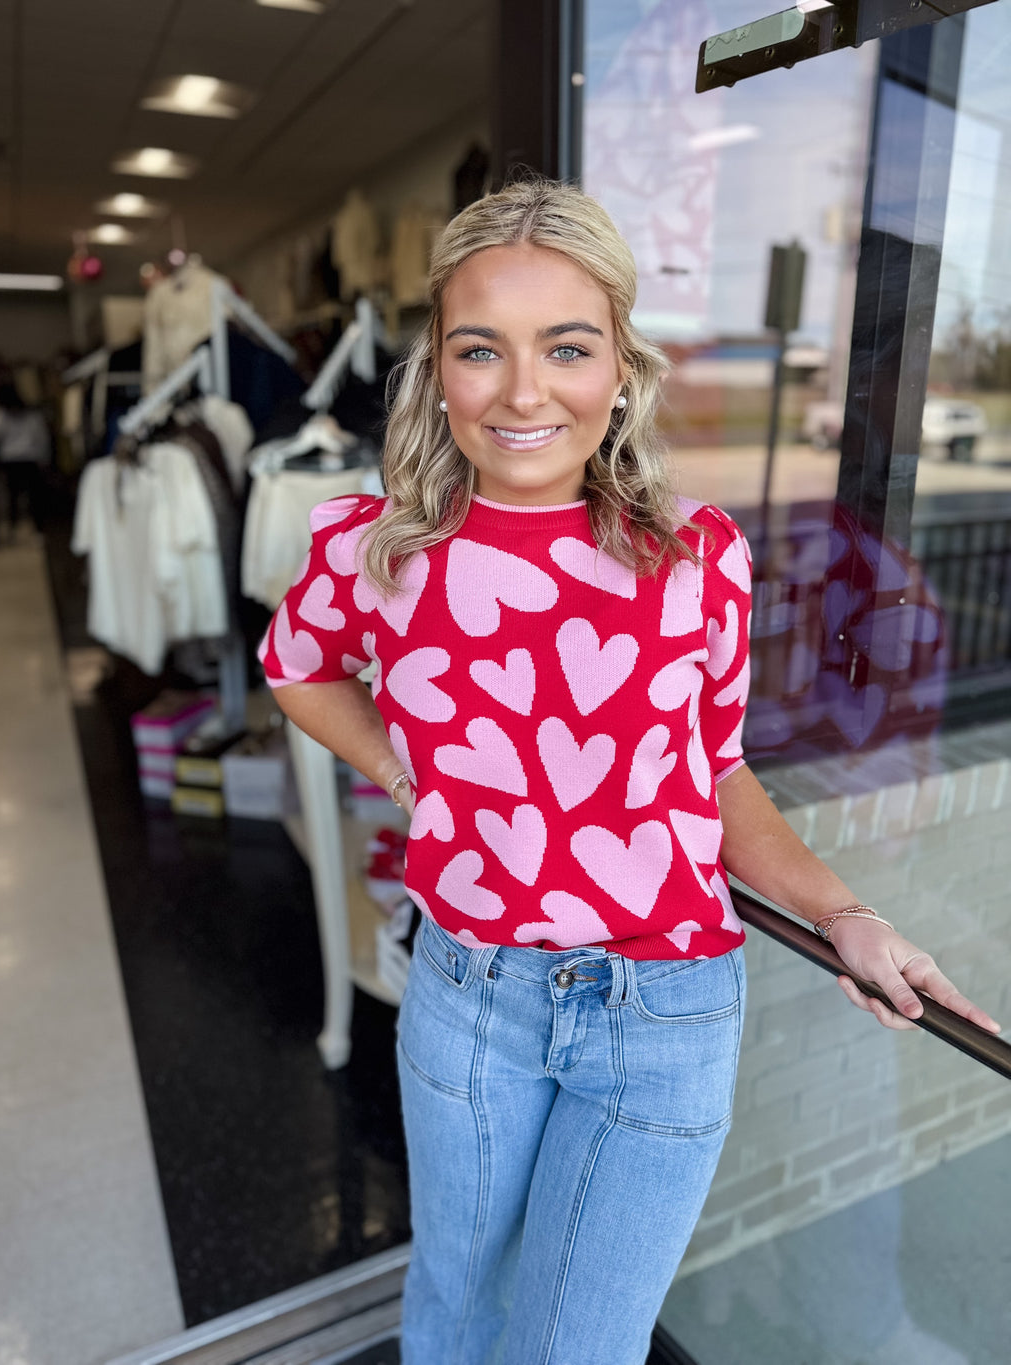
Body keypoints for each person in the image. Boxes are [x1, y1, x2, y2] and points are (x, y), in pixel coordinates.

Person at [259, 180, 999, 1365]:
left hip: (663, 1017)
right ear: (435, 368)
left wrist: (843, 913)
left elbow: (712, 777)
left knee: (573, 1348)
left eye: (565, 346)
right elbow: (297, 669)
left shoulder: (693, 560)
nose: (521, 391)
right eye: (478, 349)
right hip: (469, 998)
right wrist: (410, 775)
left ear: (619, 364)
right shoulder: (375, 549)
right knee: (452, 1310)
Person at [0, 382, 51, 538]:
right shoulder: (30, 413)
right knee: (31, 496)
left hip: (12, 459)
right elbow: (42, 438)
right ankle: (36, 529)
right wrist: (44, 457)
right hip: (29, 458)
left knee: (14, 496)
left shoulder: (0, 414)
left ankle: (15, 529)